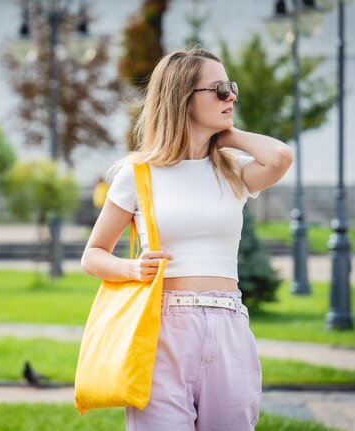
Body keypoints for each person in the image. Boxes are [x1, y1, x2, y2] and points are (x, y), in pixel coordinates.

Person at [80, 47, 293, 431]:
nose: (231, 97)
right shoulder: (137, 174)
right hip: (161, 329)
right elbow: (93, 255)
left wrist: (227, 134)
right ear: (182, 98)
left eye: (231, 87)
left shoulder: (232, 171)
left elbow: (280, 157)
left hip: (228, 324)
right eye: (218, 90)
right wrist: (131, 268)